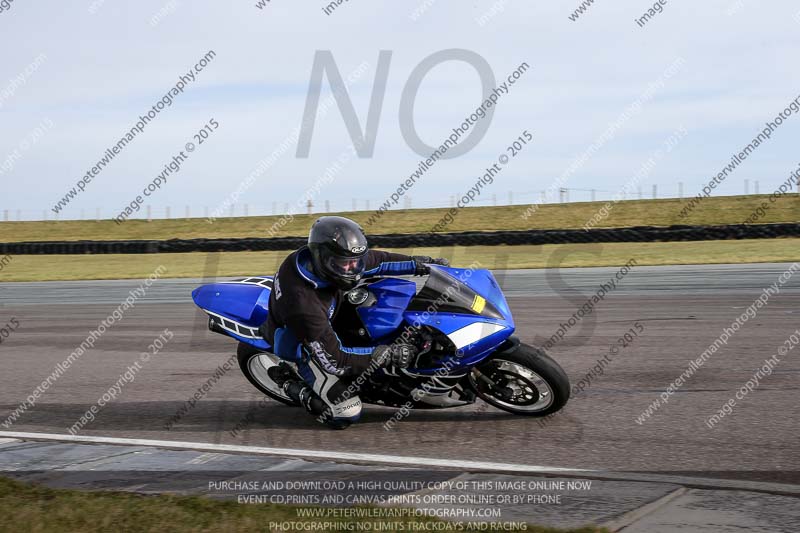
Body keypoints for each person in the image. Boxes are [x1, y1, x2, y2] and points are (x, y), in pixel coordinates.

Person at [264, 216, 448, 429]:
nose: (354, 268)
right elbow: (336, 361)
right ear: (323, 258)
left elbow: (377, 261)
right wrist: (388, 355)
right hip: (301, 343)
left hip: (329, 310)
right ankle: (289, 383)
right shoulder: (304, 306)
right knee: (346, 412)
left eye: (356, 261)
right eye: (345, 264)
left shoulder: (320, 259)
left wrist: (422, 265)